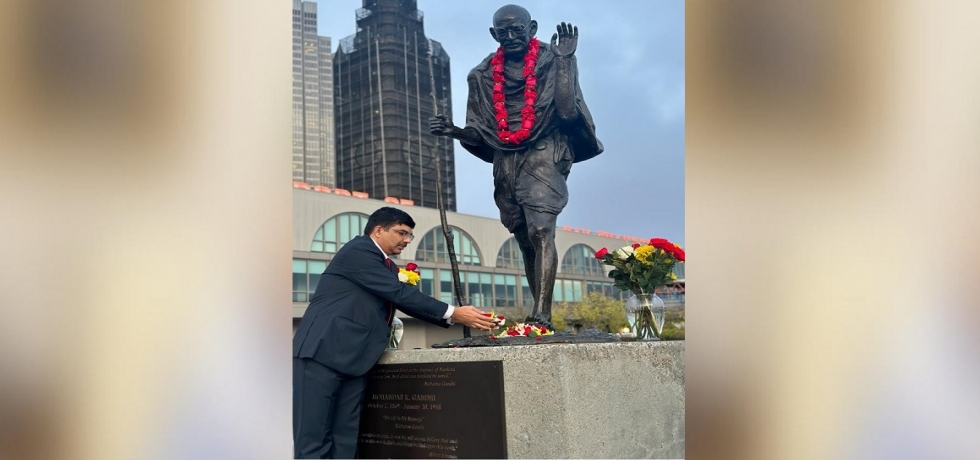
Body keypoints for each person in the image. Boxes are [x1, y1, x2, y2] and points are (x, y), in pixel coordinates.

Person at [430, 4, 603, 328]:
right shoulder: (480, 75)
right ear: (494, 34)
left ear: (532, 28)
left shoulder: (553, 58)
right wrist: (452, 130)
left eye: (517, 30)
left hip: (544, 148)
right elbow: (479, 130)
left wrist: (566, 61)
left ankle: (542, 314)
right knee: (524, 237)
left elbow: (567, 112)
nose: (510, 36)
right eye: (503, 32)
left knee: (541, 229)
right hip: (505, 158)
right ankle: (537, 313)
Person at [292, 207, 495, 459]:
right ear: (378, 230)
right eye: (402, 233)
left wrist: (456, 317)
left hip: (355, 360)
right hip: (322, 353)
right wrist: (453, 311)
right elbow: (399, 293)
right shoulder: (359, 251)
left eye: (409, 235)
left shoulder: (386, 265)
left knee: (345, 438)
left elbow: (401, 301)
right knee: (314, 439)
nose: (406, 241)